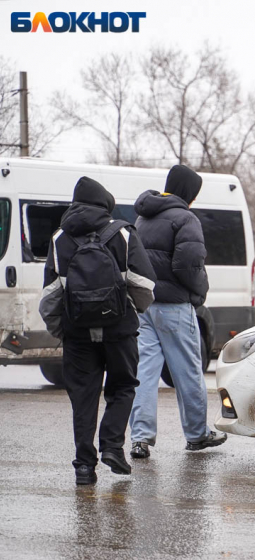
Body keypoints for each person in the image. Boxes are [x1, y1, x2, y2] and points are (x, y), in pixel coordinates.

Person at [39, 176, 156, 485]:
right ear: (105, 204)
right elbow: (145, 286)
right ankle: (113, 447)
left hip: (77, 333)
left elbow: (50, 297)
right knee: (123, 386)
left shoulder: (59, 239)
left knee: (83, 397)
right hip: (119, 330)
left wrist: (61, 330)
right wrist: (131, 313)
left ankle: (83, 467)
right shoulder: (123, 234)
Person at [129, 165, 227, 459]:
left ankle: (140, 438)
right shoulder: (186, 218)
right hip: (174, 307)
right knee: (188, 372)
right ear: (188, 193)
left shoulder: (143, 216)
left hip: (144, 306)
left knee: (144, 373)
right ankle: (197, 435)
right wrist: (199, 294)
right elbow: (189, 265)